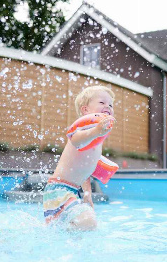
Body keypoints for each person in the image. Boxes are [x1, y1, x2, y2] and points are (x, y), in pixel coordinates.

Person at [43, 85, 116, 231]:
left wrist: (87, 194)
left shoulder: (96, 138)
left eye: (110, 104)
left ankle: (56, 232)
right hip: (59, 189)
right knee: (89, 222)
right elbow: (76, 140)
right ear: (85, 110)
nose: (107, 106)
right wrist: (96, 131)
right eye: (102, 102)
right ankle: (57, 232)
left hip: (71, 190)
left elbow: (85, 171)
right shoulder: (84, 129)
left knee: (86, 224)